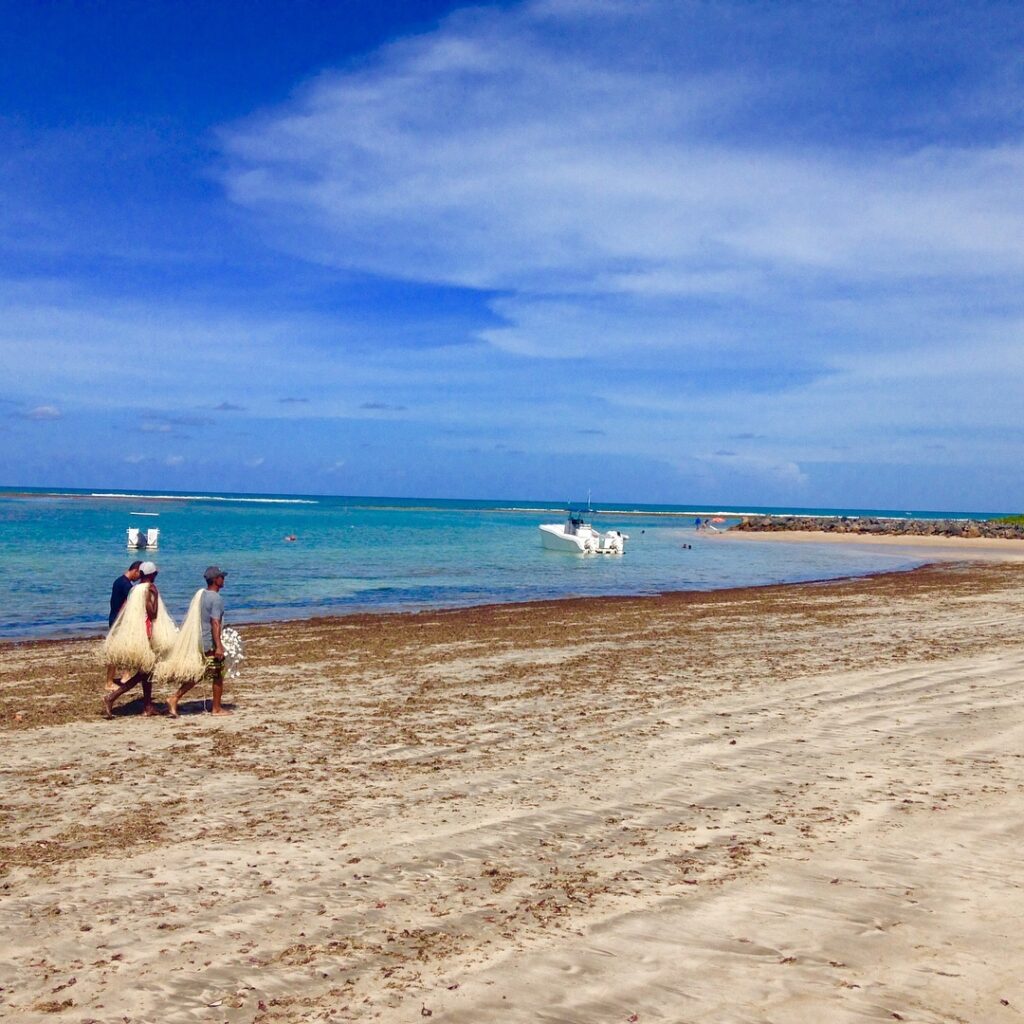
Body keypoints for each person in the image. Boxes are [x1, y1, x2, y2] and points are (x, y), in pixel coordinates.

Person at [102, 561, 172, 718]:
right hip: (147, 634)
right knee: (144, 673)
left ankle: (147, 706)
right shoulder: (149, 589)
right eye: (156, 574)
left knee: (147, 672)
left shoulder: (134, 589)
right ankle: (111, 697)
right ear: (152, 575)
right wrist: (154, 597)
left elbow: (123, 609)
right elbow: (152, 613)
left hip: (137, 634)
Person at [168, 566, 231, 717]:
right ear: (216, 580)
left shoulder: (201, 595)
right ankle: (215, 708)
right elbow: (215, 622)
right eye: (221, 577)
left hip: (199, 639)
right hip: (209, 641)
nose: (224, 579)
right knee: (217, 673)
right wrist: (219, 646)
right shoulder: (216, 599)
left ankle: (175, 698)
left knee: (201, 672)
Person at [104, 561, 142, 691]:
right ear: (135, 570)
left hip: (114, 618)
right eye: (139, 574)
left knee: (126, 648)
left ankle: (126, 675)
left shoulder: (119, 581)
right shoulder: (126, 585)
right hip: (118, 621)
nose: (139, 578)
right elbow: (127, 604)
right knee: (114, 652)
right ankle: (109, 682)